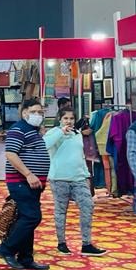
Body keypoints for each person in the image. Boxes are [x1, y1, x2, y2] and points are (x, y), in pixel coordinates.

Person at [0, 98, 51, 270]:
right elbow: (11, 154)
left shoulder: (33, 131)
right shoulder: (18, 129)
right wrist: (28, 174)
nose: (38, 115)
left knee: (26, 218)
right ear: (24, 112)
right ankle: (6, 249)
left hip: (33, 183)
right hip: (21, 181)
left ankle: (26, 258)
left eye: (40, 112)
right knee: (32, 217)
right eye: (34, 112)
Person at [44, 109, 107, 256]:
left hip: (79, 178)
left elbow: (80, 156)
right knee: (61, 211)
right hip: (59, 178)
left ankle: (86, 243)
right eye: (65, 118)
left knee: (88, 206)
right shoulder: (54, 132)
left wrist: (86, 175)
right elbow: (45, 144)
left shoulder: (77, 134)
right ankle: (61, 242)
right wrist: (61, 132)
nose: (69, 121)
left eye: (71, 118)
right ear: (60, 119)